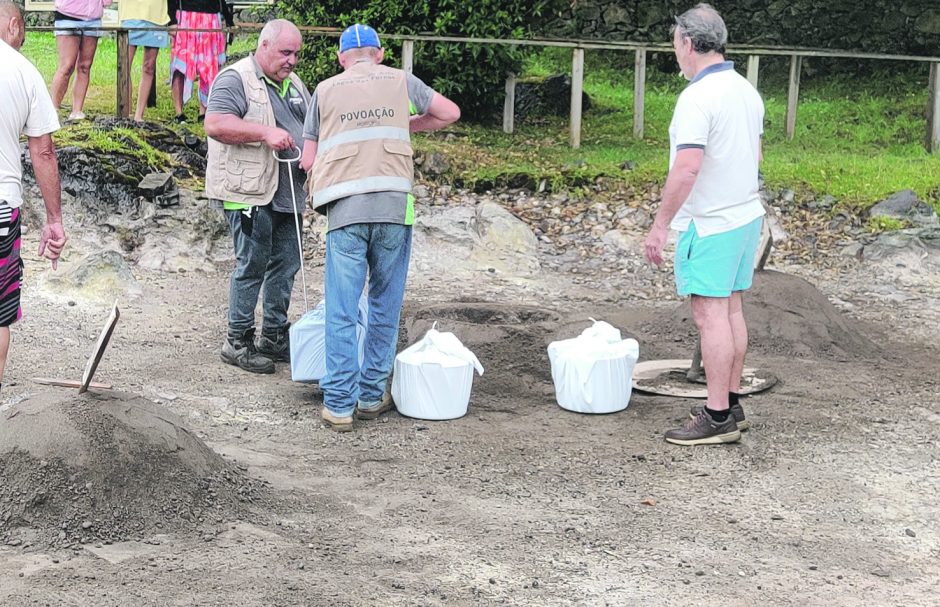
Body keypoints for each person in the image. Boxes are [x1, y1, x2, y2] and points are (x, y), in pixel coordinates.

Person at [300, 23, 460, 432]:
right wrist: (410, 125)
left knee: (341, 306)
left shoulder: (325, 89)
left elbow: (307, 159)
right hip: (393, 207)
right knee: (384, 304)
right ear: (380, 53)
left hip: (346, 211)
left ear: (341, 58)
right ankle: (372, 395)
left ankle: (338, 405)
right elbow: (449, 112)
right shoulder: (400, 81)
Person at [643, 3, 765, 446]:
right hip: (746, 215)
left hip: (712, 222)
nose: (675, 50)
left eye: (675, 42)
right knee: (731, 310)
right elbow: (756, 156)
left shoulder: (696, 97)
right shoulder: (745, 89)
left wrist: (661, 225)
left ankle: (715, 418)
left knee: (710, 315)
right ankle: (731, 405)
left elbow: (687, 167)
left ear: (688, 43)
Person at [204, 19, 309, 374]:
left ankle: (275, 336)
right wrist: (265, 132)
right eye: (285, 52)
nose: (292, 60)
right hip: (247, 193)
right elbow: (215, 124)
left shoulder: (294, 84)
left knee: (287, 266)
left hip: (288, 193)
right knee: (252, 264)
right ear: (264, 46)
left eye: (296, 53)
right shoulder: (236, 78)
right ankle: (237, 341)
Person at [0, 1, 69, 394]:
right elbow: (42, 151)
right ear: (13, 25)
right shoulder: (22, 70)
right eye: (22, 36)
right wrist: (54, 220)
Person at [168, 0, 234, 123]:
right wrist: (171, 20)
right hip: (185, 16)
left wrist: (228, 19)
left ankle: (203, 112)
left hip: (211, 16)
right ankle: (179, 113)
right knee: (180, 66)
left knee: (209, 66)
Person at [50, 0, 111, 121]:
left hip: (93, 18)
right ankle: (52, 110)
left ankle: (77, 111)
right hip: (68, 14)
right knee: (67, 66)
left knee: (85, 66)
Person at [119, 0, 173, 123]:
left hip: (156, 17)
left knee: (149, 67)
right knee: (124, 64)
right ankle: (125, 113)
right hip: (130, 15)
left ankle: (139, 115)